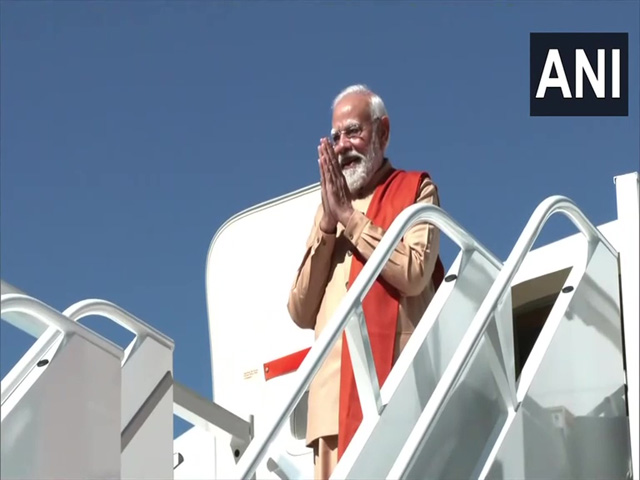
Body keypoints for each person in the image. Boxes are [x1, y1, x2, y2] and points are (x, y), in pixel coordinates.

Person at [287, 84, 445, 480]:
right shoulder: (327, 212)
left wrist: (351, 219)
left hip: (393, 394)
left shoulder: (416, 189)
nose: (342, 146)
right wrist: (328, 225)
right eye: (336, 136)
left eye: (353, 131)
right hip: (329, 412)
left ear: (383, 132)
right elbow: (300, 311)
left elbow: (414, 273)